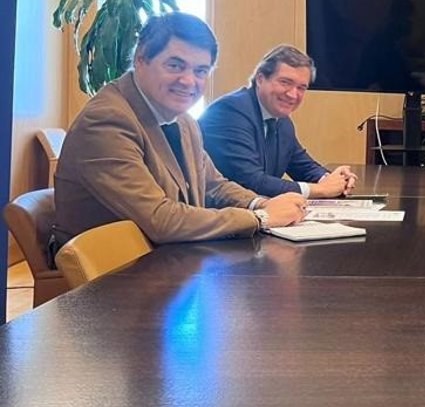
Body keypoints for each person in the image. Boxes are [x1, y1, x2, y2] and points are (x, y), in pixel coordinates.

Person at [54, 13, 308, 245]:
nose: (188, 81)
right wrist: (260, 218)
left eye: (200, 71)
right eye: (175, 66)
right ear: (141, 59)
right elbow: (160, 219)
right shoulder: (107, 120)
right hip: (114, 271)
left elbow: (213, 185)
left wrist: (261, 203)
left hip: (167, 258)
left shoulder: (184, 120)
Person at [201, 44, 358, 198]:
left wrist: (334, 180)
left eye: (301, 88)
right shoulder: (230, 111)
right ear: (260, 79)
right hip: (219, 212)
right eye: (285, 82)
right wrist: (320, 190)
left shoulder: (281, 121)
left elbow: (303, 165)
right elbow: (250, 181)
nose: (293, 94)